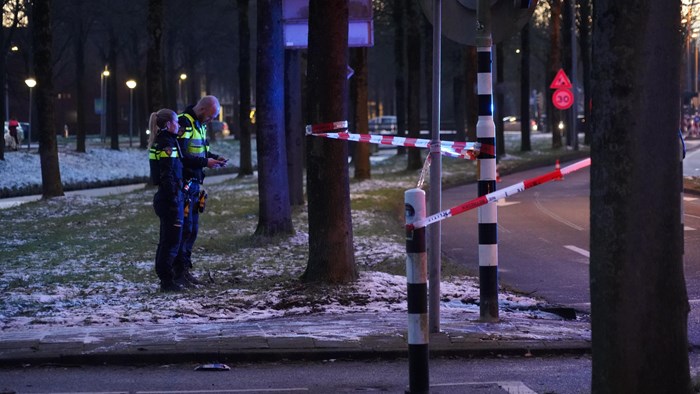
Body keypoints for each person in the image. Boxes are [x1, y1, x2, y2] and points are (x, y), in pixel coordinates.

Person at [175, 96, 227, 286]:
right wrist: (206, 162)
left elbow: (200, 151)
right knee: (186, 228)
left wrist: (214, 158)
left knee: (193, 229)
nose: (211, 120)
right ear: (203, 109)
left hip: (195, 182)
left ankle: (185, 270)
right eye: (211, 116)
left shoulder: (199, 124)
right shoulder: (184, 123)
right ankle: (178, 272)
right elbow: (181, 154)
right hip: (185, 182)